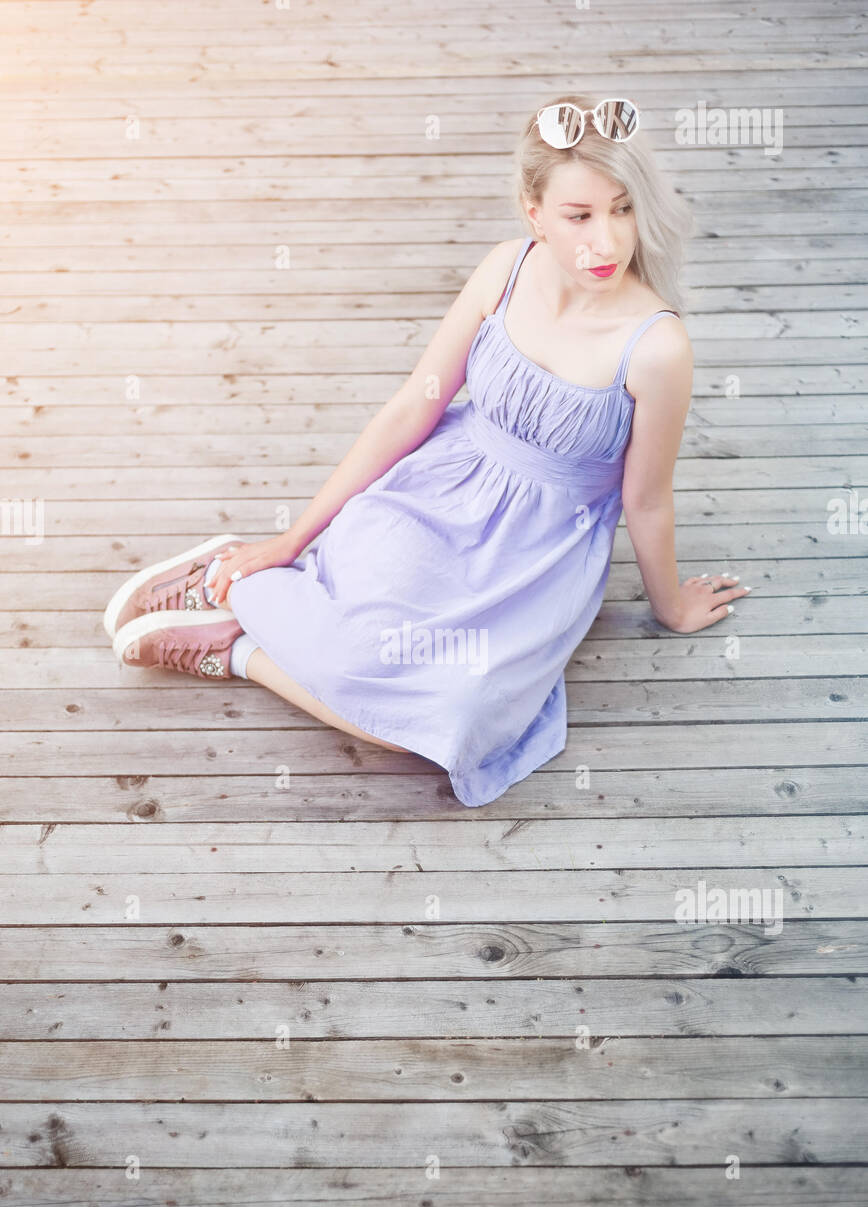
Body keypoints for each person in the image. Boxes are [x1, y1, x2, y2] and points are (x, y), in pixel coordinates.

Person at [104, 95, 751, 807]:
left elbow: (646, 500)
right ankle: (237, 579)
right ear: (534, 212)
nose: (606, 240)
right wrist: (291, 537)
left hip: (538, 555)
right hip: (442, 492)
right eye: (580, 216)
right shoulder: (507, 270)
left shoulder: (656, 346)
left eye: (622, 210)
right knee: (359, 642)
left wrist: (671, 608)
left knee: (449, 720)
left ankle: (234, 648)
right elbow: (417, 404)